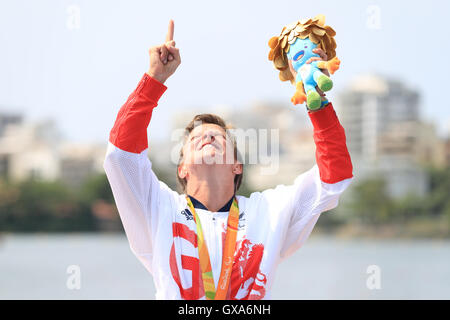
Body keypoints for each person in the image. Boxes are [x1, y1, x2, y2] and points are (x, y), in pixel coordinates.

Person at [103, 20, 354, 300]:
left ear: (237, 165)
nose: (207, 137)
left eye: (218, 137)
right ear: (183, 168)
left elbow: (334, 178)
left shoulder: (269, 212)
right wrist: (154, 79)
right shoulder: (158, 207)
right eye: (196, 139)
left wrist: (316, 102)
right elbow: (120, 154)